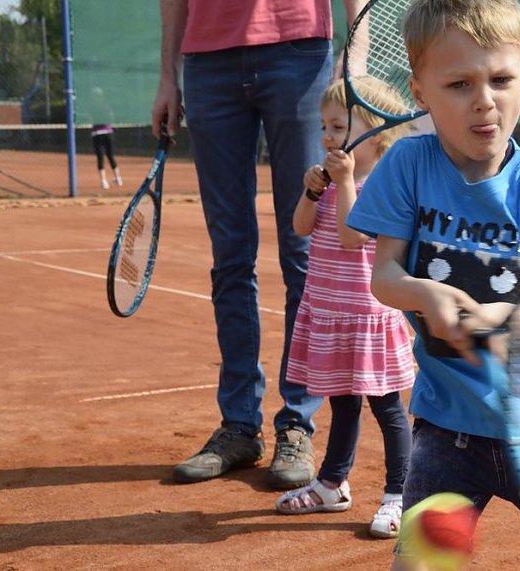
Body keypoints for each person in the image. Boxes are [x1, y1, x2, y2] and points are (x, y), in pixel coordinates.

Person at [345, 0, 520, 569]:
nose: (484, 100)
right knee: (419, 562)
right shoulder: (407, 166)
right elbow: (386, 276)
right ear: (420, 92)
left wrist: (496, 316)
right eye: (458, 84)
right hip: (448, 429)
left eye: (500, 79)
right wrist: (427, 294)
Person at [151, 0, 368, 490]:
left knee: (305, 251)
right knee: (230, 254)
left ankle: (296, 423)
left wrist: (355, 56)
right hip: (207, 61)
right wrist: (169, 75)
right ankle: (239, 426)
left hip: (299, 52)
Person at [273, 77, 416, 539]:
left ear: (375, 134)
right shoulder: (333, 180)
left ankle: (401, 495)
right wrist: (313, 191)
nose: (327, 136)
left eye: (338, 126)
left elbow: (353, 235)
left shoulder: (382, 185)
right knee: (343, 404)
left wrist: (345, 179)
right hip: (330, 312)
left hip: (369, 316)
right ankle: (332, 484)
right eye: (324, 126)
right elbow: (299, 227)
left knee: (388, 409)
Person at [92, 123, 122, 190]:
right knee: (111, 156)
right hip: (108, 133)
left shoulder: (94, 112)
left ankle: (104, 181)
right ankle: (118, 178)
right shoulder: (107, 112)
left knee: (100, 158)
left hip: (97, 134)